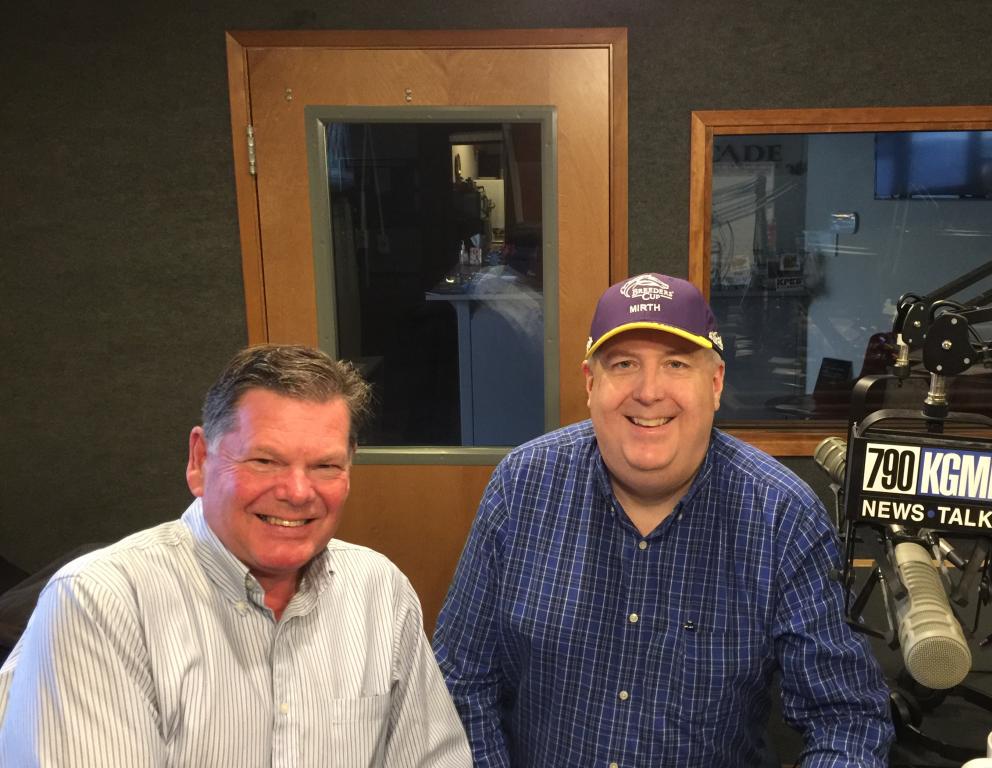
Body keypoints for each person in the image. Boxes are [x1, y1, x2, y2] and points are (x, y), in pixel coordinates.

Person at [434, 273, 894, 767]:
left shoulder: (781, 516)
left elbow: (847, 720)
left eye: (676, 364)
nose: (649, 391)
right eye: (624, 364)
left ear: (715, 383)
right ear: (590, 383)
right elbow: (461, 681)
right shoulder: (522, 487)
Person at [0, 344, 471, 767]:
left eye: (325, 466)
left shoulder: (380, 589)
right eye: (265, 461)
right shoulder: (98, 603)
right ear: (199, 460)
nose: (297, 492)